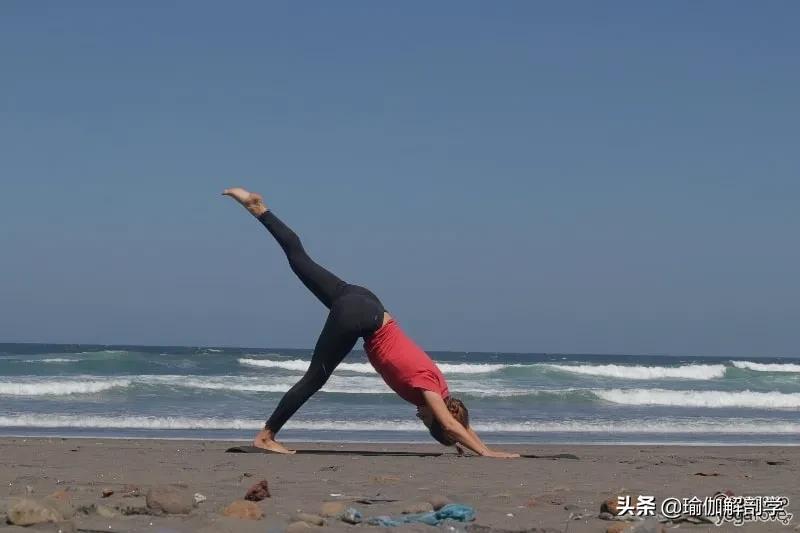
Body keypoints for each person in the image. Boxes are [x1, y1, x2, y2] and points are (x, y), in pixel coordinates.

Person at [223, 187, 519, 458]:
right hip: (361, 317)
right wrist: (487, 454)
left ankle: (260, 209)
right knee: (315, 378)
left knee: (300, 259)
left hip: (365, 300)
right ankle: (266, 436)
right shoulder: (430, 390)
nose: (420, 417)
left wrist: (482, 446)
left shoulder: (440, 386)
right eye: (427, 421)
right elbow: (451, 425)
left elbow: (457, 425)